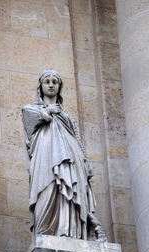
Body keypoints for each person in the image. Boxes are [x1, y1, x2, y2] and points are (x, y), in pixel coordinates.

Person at [22, 70, 106, 241]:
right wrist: (47, 112)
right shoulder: (30, 109)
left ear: (59, 87)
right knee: (49, 189)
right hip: (45, 157)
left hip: (70, 158)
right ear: (40, 87)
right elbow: (29, 126)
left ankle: (70, 231)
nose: (51, 84)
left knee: (69, 190)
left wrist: (84, 163)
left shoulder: (66, 116)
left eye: (55, 81)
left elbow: (75, 139)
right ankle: (46, 231)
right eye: (47, 81)